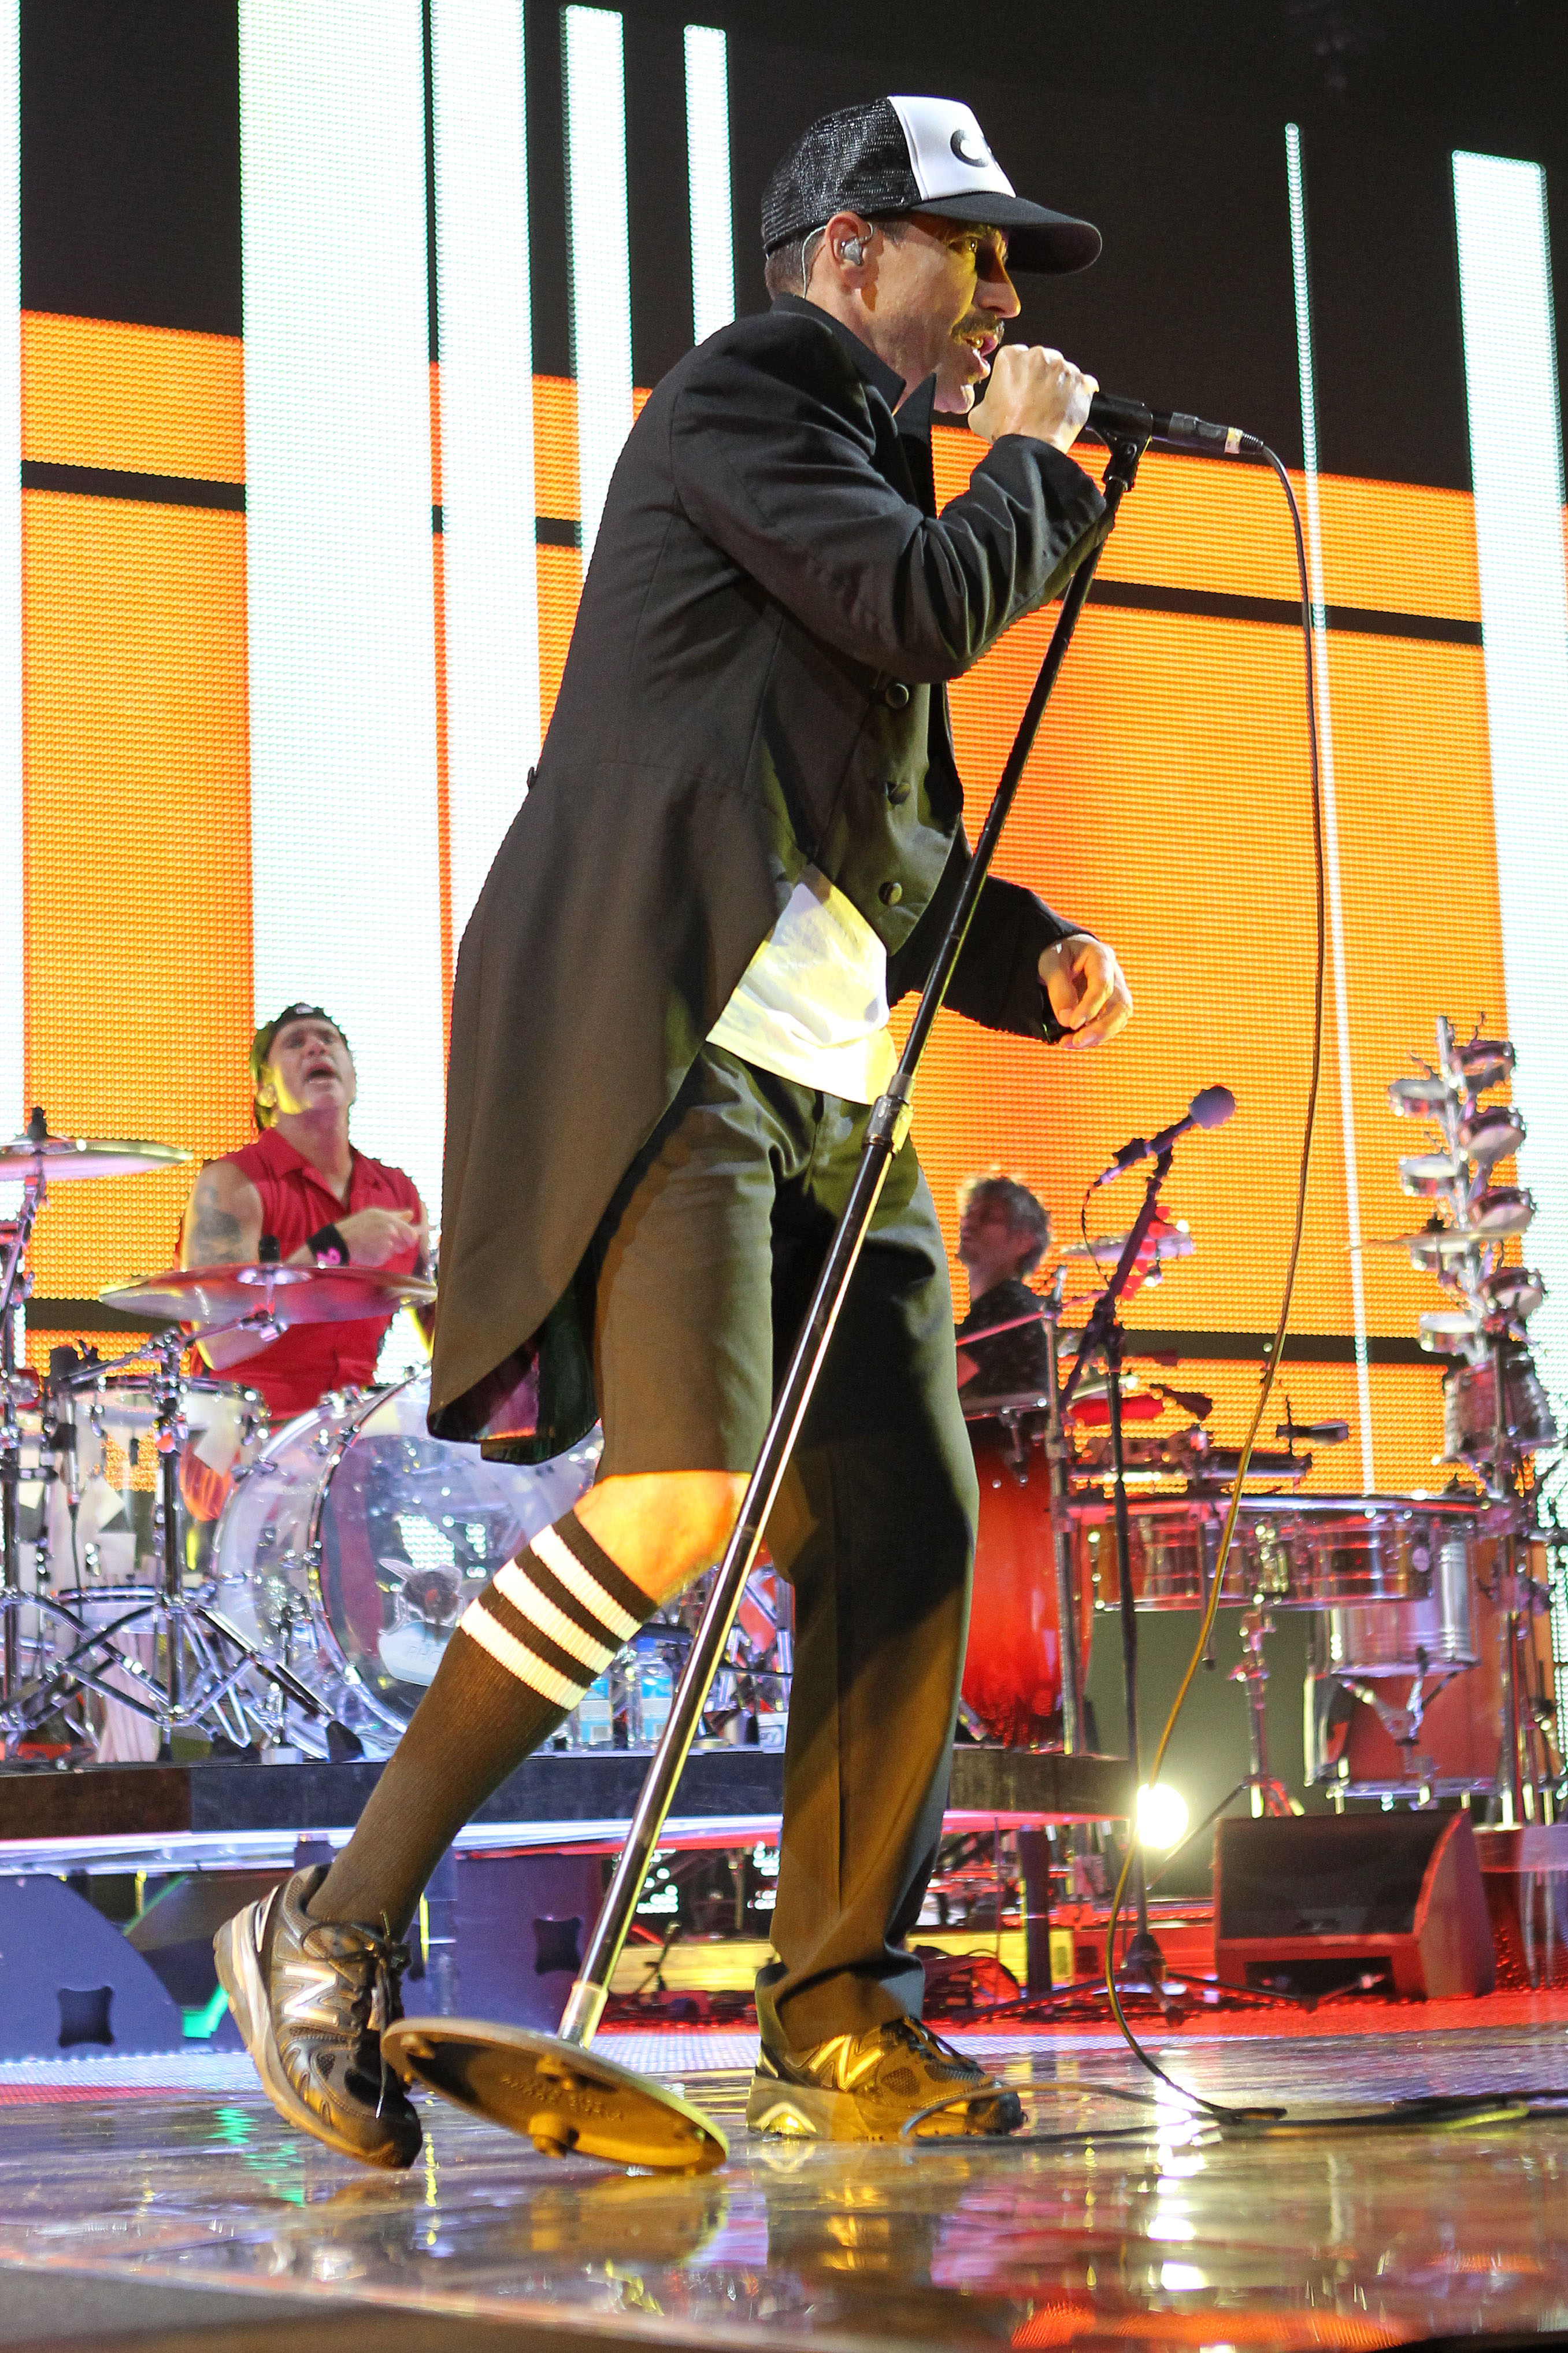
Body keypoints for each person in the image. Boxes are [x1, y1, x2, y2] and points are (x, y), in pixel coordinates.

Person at [217, 95, 1132, 2166]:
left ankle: (839, 2013)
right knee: (677, 1495)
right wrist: (1036, 468)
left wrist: (1026, 951)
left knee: (900, 1526)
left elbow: (874, 831)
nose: (1001, 298)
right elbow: (919, 607)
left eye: (1012, 268)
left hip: (822, 1082)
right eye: (971, 253)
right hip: (669, 1044)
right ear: (847, 259)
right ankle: (331, 1924)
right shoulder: (744, 401)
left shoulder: (874, 481)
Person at [179, 1004, 430, 1429]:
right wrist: (332, 1249)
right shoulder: (233, 1183)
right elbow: (220, 1344)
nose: (316, 1047)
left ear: (353, 1079)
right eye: (296, 1043)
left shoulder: (398, 1192)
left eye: (328, 1039)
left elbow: (446, 1338)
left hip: (353, 1436)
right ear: (266, 1090)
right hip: (245, 1436)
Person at [954, 1173, 1054, 1404]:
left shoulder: (1007, 1304)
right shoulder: (1008, 1303)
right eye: (969, 1212)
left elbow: (936, 1385)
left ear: (1024, 1241)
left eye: (988, 1217)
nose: (969, 1222)